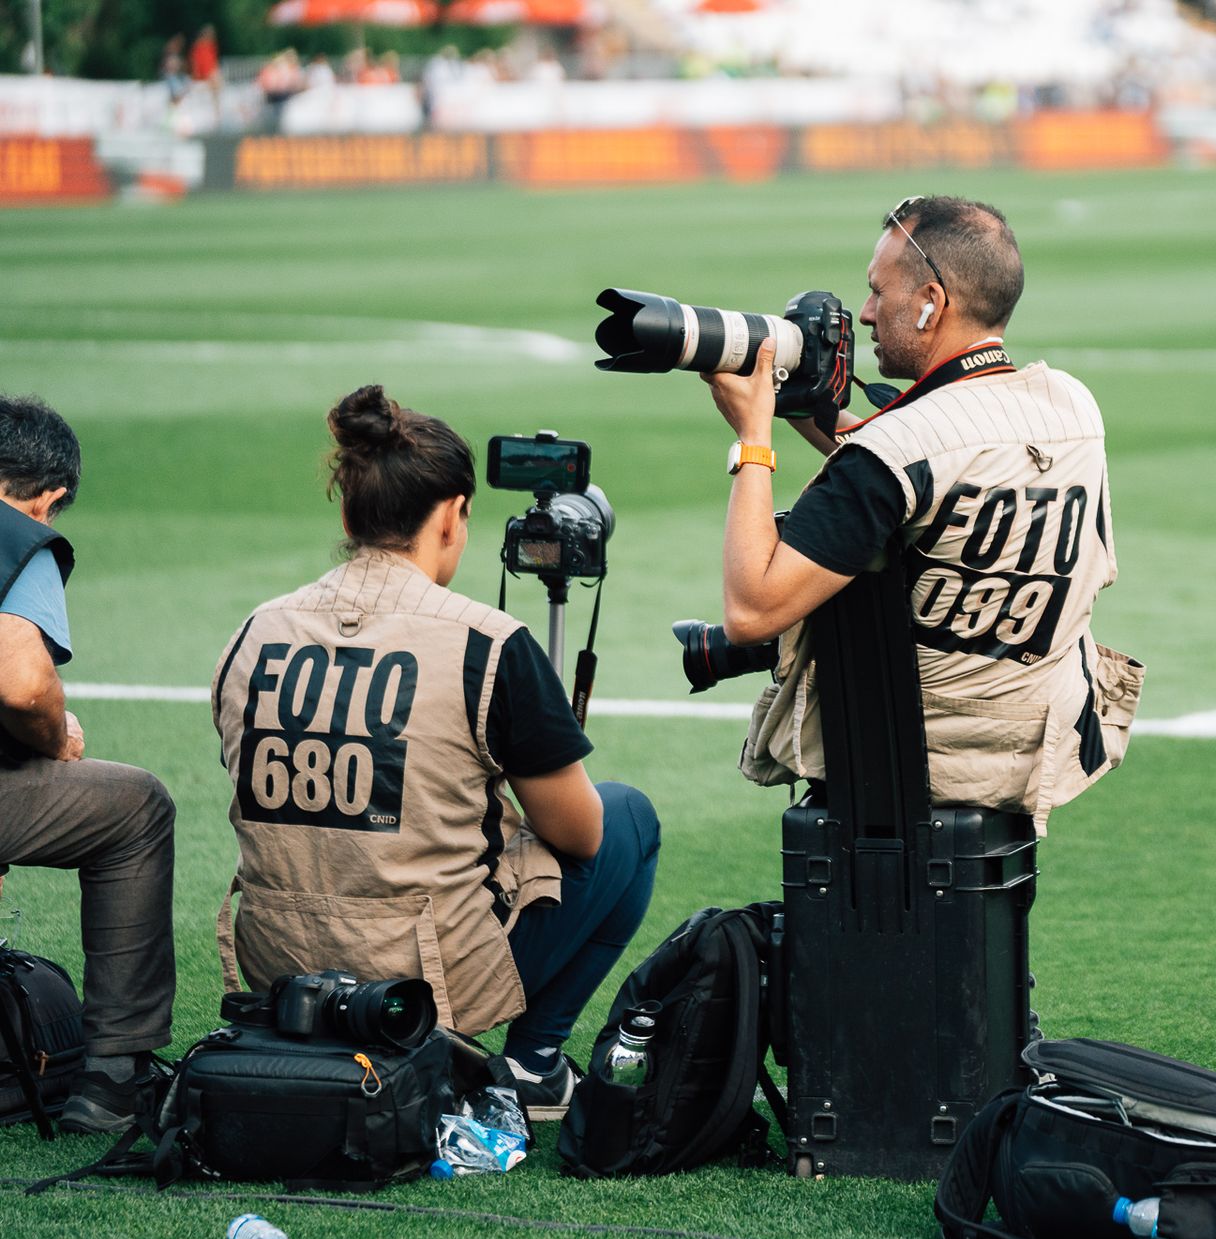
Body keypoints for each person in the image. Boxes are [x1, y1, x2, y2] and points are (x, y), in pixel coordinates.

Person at [211, 386, 659, 1119]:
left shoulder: (254, 629)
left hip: (279, 978)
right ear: (452, 516)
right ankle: (533, 1062)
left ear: (351, 514)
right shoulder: (488, 642)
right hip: (417, 982)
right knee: (628, 818)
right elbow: (580, 835)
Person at [703, 195, 1143, 836]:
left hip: (908, 760)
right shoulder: (1072, 407)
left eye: (879, 293)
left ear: (931, 301)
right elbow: (928, 464)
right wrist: (803, 403)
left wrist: (754, 436)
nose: (868, 313)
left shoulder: (891, 456)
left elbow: (751, 612)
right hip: (1032, 748)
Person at [0, 394, 176, 1134]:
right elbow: (19, 680)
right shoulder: (17, 533)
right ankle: (114, 1081)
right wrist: (52, 739)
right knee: (137, 807)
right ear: (51, 497)